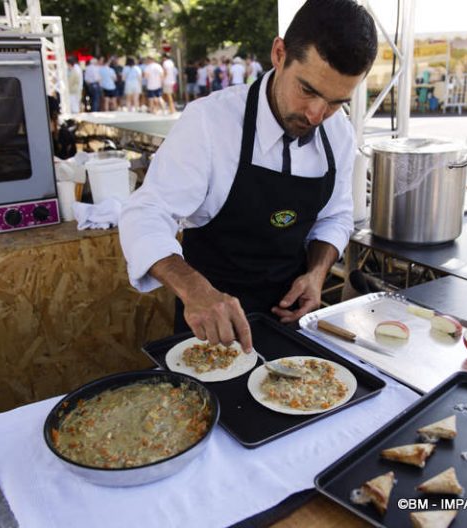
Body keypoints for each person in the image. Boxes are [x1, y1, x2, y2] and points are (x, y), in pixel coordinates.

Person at [119, 0, 378, 349]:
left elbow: (336, 216)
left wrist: (316, 275)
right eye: (308, 90)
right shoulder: (210, 123)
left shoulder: (340, 133)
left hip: (290, 327)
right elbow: (145, 214)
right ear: (279, 53)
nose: (317, 115)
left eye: (336, 102)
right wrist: (195, 290)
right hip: (212, 332)